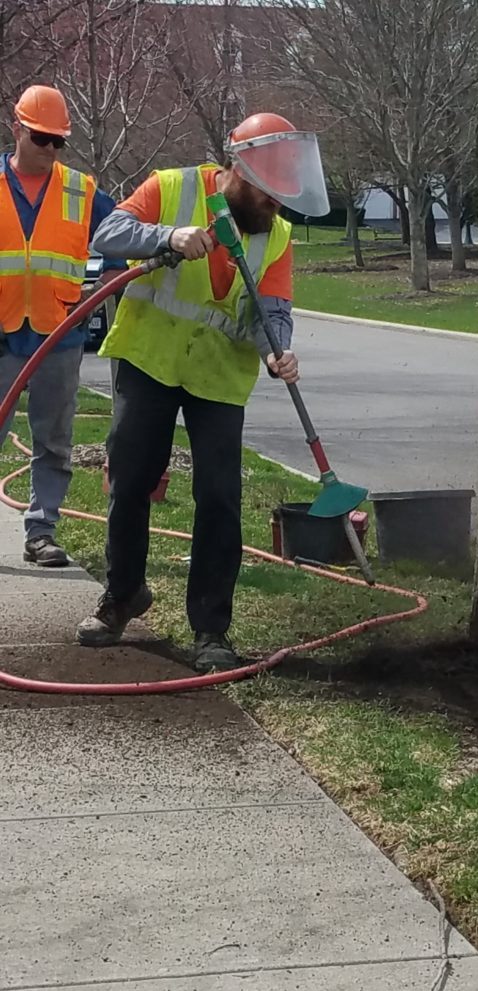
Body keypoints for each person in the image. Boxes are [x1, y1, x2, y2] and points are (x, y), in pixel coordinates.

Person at [76, 112, 331, 672]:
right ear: (236, 171)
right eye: (268, 193)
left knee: (219, 498)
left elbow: (274, 310)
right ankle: (122, 597)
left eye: (284, 195)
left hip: (218, 377)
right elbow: (106, 235)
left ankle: (211, 628)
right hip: (150, 361)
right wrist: (166, 236)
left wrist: (276, 349)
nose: (276, 205)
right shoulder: (171, 187)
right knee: (131, 481)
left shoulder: (277, 234)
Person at [0, 85, 124, 567]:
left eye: (58, 141)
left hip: (58, 333)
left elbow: (120, 229)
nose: (50, 150)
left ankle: (42, 530)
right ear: (16, 130)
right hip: (3, 334)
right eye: (40, 138)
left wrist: (112, 271)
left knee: (53, 438)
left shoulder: (81, 189)